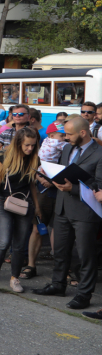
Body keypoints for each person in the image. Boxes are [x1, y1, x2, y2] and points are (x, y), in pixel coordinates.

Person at [33, 115, 102, 310]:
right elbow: (64, 173)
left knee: (85, 255)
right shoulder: (67, 148)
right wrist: (50, 177)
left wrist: (72, 189)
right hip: (62, 208)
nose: (65, 137)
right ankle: (58, 284)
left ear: (83, 133)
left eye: (69, 134)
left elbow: (100, 187)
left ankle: (84, 294)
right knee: (61, 251)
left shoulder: (99, 154)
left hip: (85, 212)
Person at [0, 128, 42, 295]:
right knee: (4, 241)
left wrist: (37, 206)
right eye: (27, 145)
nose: (30, 148)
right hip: (4, 200)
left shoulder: (34, 159)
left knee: (19, 245)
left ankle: (14, 278)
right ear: (18, 143)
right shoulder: (4, 155)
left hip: (25, 203)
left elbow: (32, 185)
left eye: (33, 145)